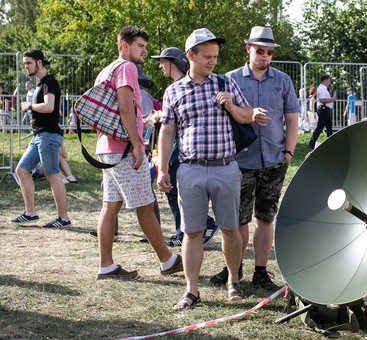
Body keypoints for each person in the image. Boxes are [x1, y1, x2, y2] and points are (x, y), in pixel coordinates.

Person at [156, 27, 253, 309]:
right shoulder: (173, 91)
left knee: (230, 228)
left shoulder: (225, 83)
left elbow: (248, 116)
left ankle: (233, 282)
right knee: (192, 231)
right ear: (191, 56)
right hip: (190, 170)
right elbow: (167, 132)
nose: (212, 61)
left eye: (215, 56)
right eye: (207, 56)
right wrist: (163, 169)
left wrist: (232, 107)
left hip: (226, 168)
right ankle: (191, 290)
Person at [208, 26, 299, 291]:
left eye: (269, 51)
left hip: (273, 159)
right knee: (238, 220)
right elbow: (223, 117)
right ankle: (233, 271)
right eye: (260, 50)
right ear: (248, 48)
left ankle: (261, 272)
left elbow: (292, 118)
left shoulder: (283, 80)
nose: (265, 56)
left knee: (266, 218)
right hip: (240, 160)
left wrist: (288, 153)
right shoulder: (230, 79)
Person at [93, 26, 183, 280]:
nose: (144, 51)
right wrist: (136, 146)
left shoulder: (106, 70)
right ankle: (167, 260)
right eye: (140, 46)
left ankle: (106, 265)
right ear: (125, 46)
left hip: (107, 148)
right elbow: (125, 107)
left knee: (110, 206)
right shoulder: (126, 68)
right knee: (145, 203)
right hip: (123, 150)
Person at [10, 50, 71, 229]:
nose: (25, 67)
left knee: (53, 174)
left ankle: (63, 218)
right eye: (24, 64)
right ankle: (30, 213)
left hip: (48, 135)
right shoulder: (40, 84)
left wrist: (29, 106)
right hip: (39, 136)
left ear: (39, 62)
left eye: (28, 63)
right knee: (22, 170)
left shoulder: (49, 82)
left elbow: (49, 106)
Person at [151, 46, 191, 247]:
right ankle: (181, 231)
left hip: (181, 147)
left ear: (172, 63)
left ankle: (189, 230)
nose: (160, 65)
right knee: (172, 189)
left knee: (173, 189)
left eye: (162, 61)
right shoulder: (174, 87)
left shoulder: (181, 86)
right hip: (175, 145)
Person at [309, 75, 336, 148]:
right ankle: (312, 143)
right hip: (323, 109)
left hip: (325, 109)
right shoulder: (321, 89)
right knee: (320, 127)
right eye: (329, 80)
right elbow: (322, 100)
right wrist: (332, 100)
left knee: (329, 126)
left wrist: (330, 92)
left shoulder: (324, 89)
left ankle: (330, 142)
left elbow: (325, 98)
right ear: (325, 80)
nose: (329, 82)